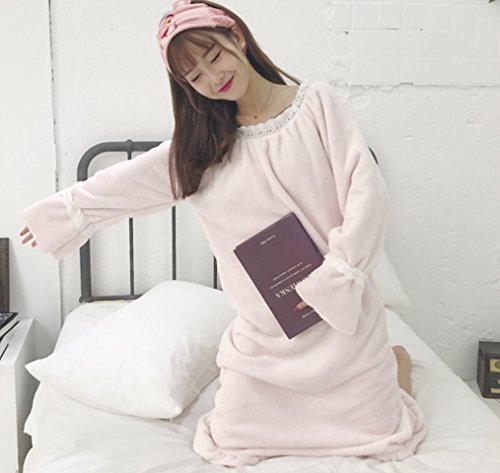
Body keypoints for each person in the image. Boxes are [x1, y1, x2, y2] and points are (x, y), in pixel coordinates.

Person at [20, 0, 427, 467]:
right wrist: (61, 213)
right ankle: (386, 368)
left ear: (236, 36)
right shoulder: (203, 151)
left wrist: (336, 276)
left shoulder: (316, 105)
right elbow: (128, 183)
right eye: (195, 76)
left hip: (342, 324)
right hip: (266, 344)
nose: (213, 79)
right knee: (229, 443)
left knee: (387, 435)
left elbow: (366, 193)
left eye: (213, 56)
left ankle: (395, 367)